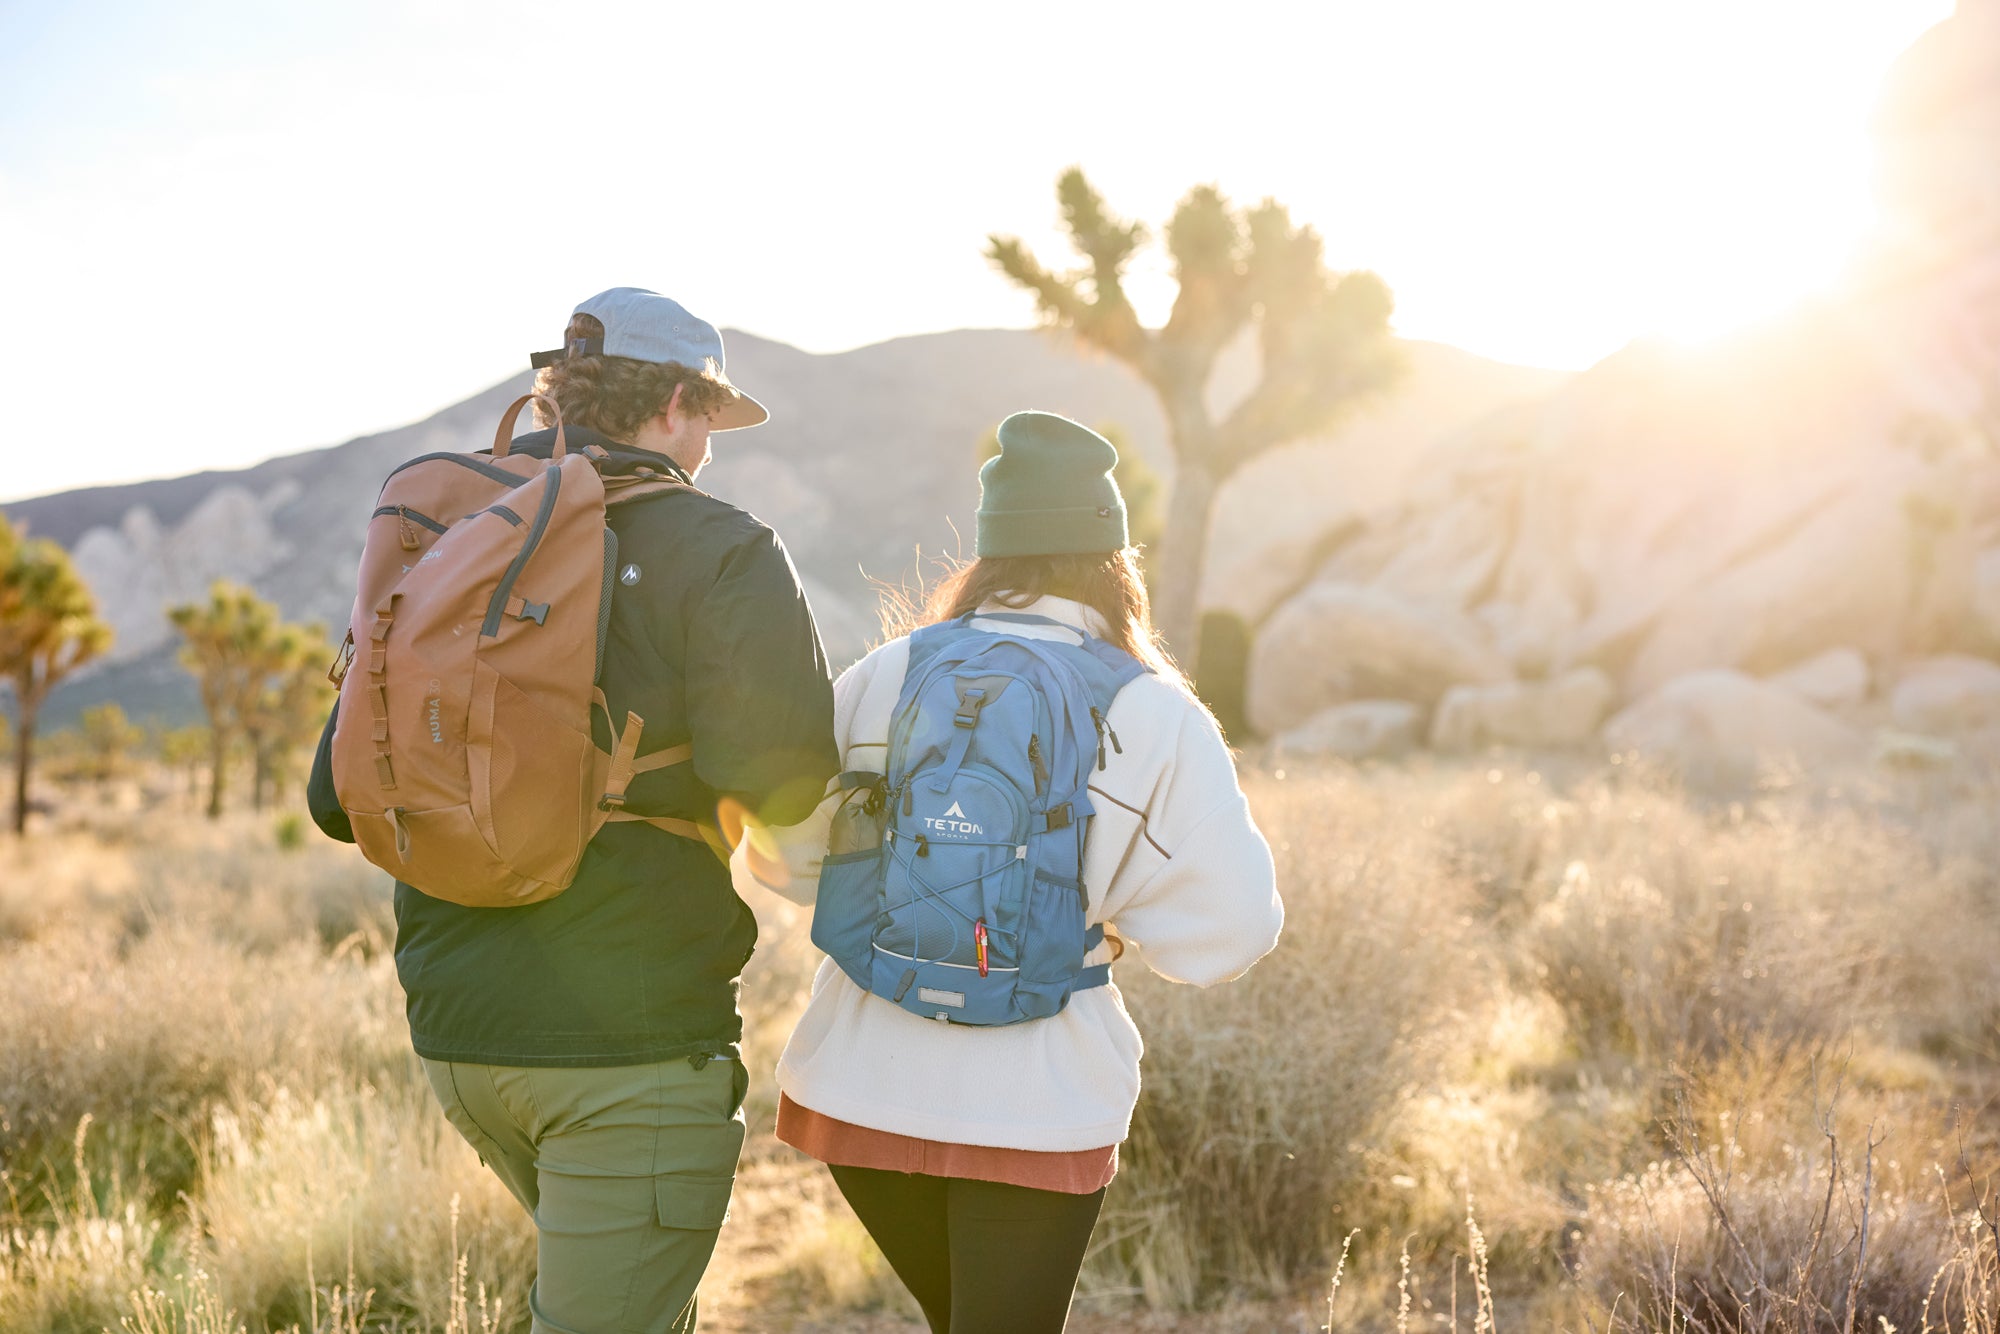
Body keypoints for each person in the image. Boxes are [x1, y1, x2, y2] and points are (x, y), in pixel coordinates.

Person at [308, 287, 839, 1334]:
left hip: (459, 1031)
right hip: (623, 1052)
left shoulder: (459, 538)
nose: (708, 448)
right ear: (680, 402)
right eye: (709, 420)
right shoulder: (722, 548)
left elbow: (335, 798)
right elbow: (779, 791)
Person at [740, 411, 1283, 1334]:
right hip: (1038, 1101)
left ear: (987, 554)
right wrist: (1109, 928)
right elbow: (1227, 936)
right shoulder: (1154, 711)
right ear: (1113, 561)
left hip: (862, 1083)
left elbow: (780, 861)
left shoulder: (887, 671)